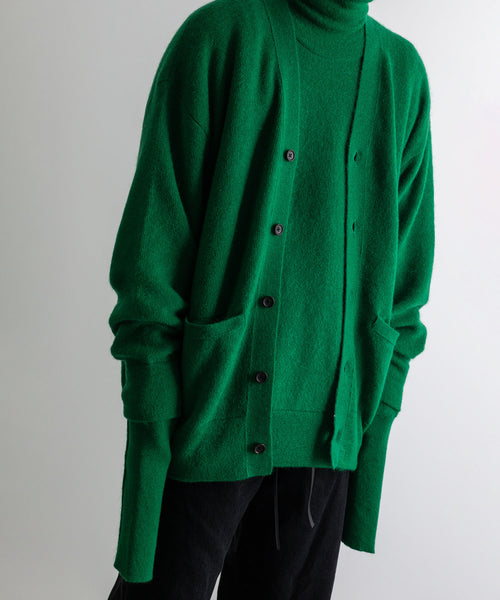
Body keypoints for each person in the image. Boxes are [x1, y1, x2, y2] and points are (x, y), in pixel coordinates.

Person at [105, 0, 435, 598]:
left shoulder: (401, 73)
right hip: (204, 421)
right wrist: (152, 424)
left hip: (329, 442)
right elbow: (152, 258)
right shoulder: (220, 38)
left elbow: (405, 288)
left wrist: (377, 415)